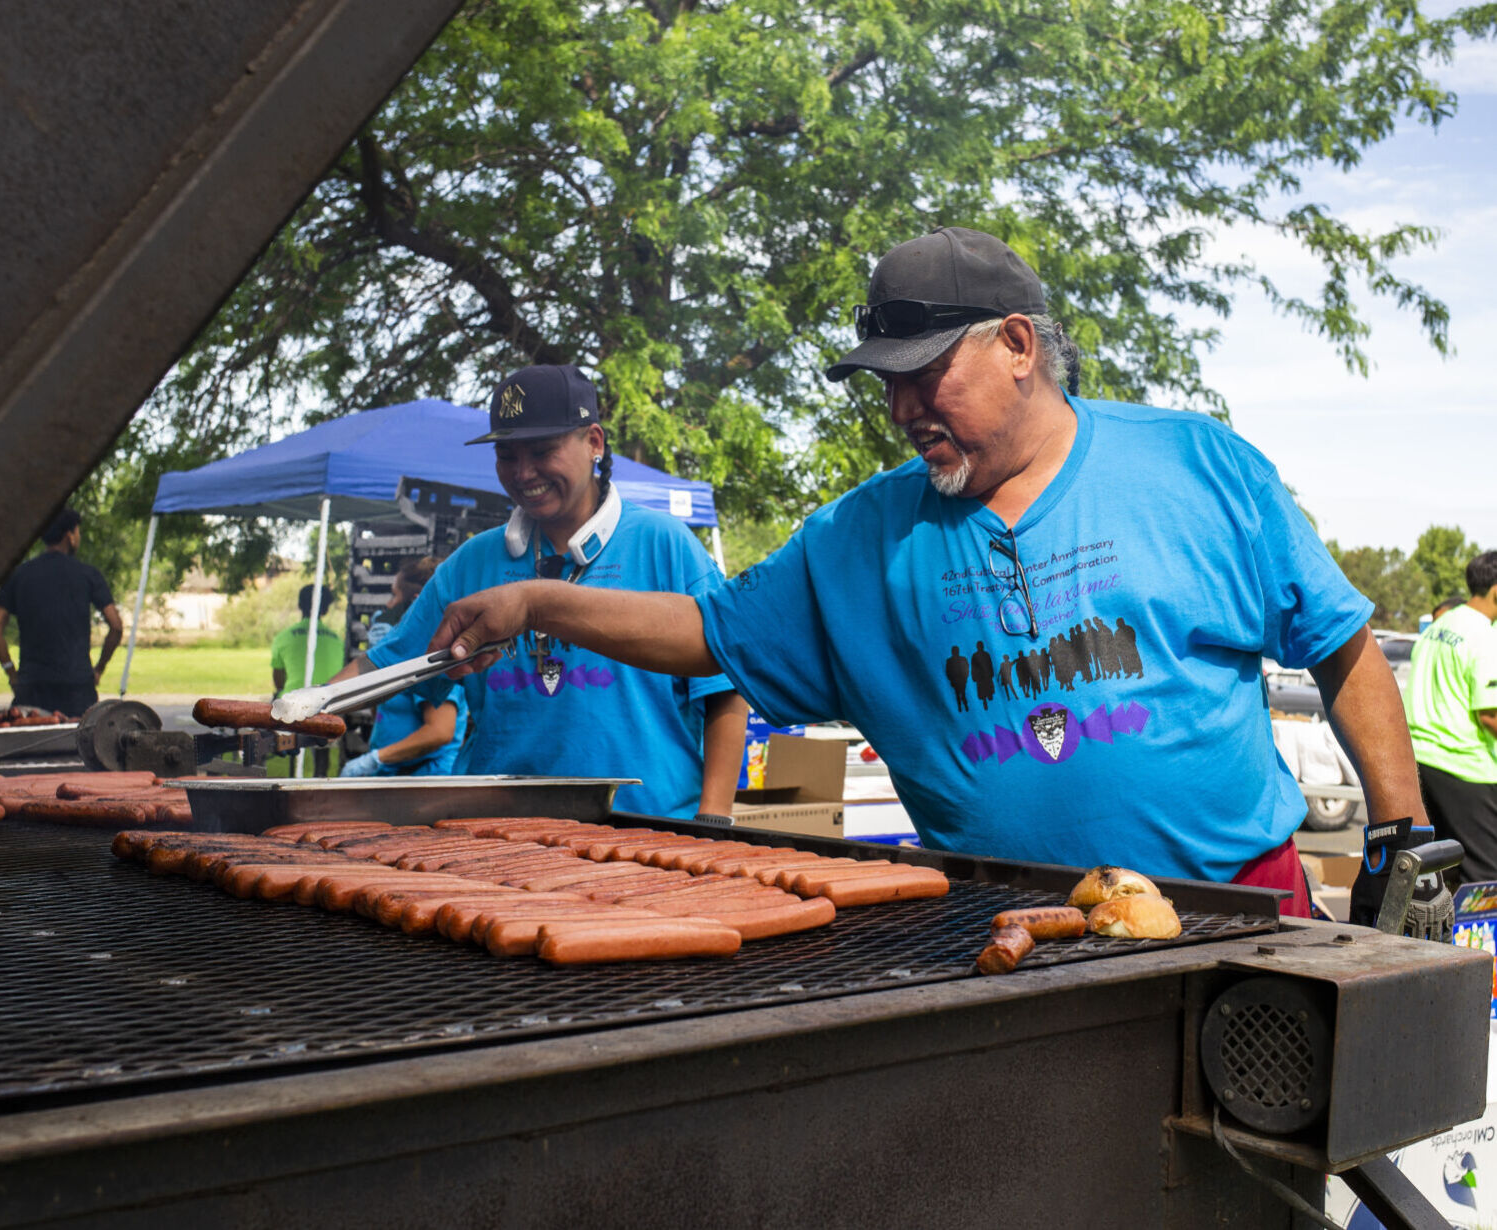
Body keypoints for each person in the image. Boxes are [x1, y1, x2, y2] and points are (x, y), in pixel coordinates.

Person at [421, 228, 1425, 917]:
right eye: (886, 382)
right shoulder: (858, 537)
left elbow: (1338, 647)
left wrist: (1402, 834)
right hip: (1007, 923)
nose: (901, 407)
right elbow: (707, 635)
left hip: (1238, 903)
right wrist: (538, 597)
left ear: (1017, 346)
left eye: (925, 372)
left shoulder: (1196, 466)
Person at [324, 363, 748, 821]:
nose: (524, 473)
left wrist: (714, 817)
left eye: (543, 451)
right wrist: (295, 712)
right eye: (507, 455)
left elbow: (726, 687)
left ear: (594, 443)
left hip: (649, 832)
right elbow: (382, 666)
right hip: (496, 830)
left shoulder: (666, 545)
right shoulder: (472, 563)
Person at [1404, 552, 1497, 884]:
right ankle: (1475, 939)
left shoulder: (1439, 626)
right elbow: (1489, 713)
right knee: (1485, 876)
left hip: (1420, 763)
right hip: (1464, 764)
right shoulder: (1485, 635)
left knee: (1440, 871)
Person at [0, 508, 122, 718]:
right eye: (77, 532)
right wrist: (99, 669)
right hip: (78, 687)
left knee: (31, 744)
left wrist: (11, 673)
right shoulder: (88, 575)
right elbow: (116, 625)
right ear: (70, 536)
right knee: (79, 746)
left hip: (32, 686)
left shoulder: (21, 574)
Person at [339, 558, 468, 778]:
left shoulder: (431, 654)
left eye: (395, 595)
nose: (388, 605)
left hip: (424, 782)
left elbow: (439, 732)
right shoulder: (404, 654)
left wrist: (375, 759)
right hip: (395, 776)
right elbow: (383, 708)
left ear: (416, 602)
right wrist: (379, 665)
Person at [272, 584, 345, 777]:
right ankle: (320, 774)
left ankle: (279, 753)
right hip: (329, 706)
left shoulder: (283, 637)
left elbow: (278, 681)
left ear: (299, 605)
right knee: (321, 746)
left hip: (291, 706)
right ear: (326, 608)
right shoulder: (337, 640)